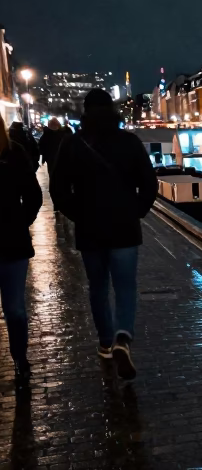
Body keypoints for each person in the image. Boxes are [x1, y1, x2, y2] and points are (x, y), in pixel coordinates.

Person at [50, 89, 158, 380]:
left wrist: (78, 214)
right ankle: (124, 336)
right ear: (111, 110)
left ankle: (105, 341)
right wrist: (135, 211)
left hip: (91, 229)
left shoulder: (72, 144)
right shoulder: (130, 142)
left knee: (97, 287)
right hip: (124, 228)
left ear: (86, 112)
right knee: (125, 286)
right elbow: (150, 184)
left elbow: (58, 191)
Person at [0, 117, 43, 386]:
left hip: (10, 242)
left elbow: (33, 195)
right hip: (13, 239)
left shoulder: (14, 153)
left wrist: (19, 221)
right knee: (15, 308)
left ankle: (20, 359)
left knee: (14, 308)